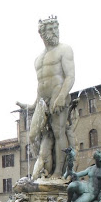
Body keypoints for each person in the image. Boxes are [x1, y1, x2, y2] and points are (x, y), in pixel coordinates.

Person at [27, 16, 75, 180]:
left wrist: (62, 96)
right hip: (43, 100)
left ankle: (57, 173)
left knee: (58, 133)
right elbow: (41, 84)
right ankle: (43, 167)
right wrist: (32, 105)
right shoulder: (38, 59)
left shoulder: (65, 49)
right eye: (50, 29)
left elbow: (70, 76)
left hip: (57, 95)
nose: (55, 32)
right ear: (42, 33)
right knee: (33, 135)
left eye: (56, 28)